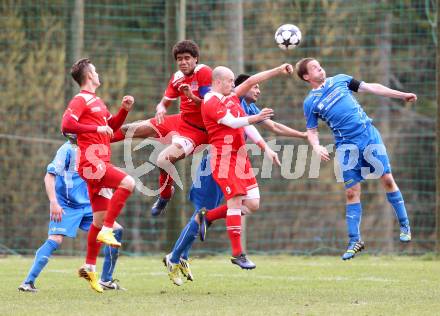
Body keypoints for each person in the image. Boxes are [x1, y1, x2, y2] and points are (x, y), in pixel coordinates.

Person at [163, 73, 307, 285]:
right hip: (215, 165)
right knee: (208, 211)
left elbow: (262, 127)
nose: (258, 90)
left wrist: (277, 144)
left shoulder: (244, 106)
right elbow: (232, 118)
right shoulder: (225, 100)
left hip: (235, 160)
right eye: (254, 87)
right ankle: (176, 257)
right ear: (237, 87)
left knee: (245, 205)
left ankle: (186, 249)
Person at [295, 58, 416, 260]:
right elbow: (311, 130)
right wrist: (316, 146)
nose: (320, 68)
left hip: (368, 136)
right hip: (346, 147)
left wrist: (401, 95)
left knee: (386, 179)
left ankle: (404, 225)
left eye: (320, 65)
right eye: (315, 68)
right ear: (307, 77)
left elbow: (372, 88)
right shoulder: (310, 102)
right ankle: (354, 241)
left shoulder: (340, 80)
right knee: (351, 192)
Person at [113, 40, 212, 216]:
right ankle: (91, 138)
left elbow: (210, 106)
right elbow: (165, 101)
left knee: (163, 160)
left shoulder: (204, 73)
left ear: (196, 59)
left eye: (187, 58)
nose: (183, 62)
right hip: (180, 121)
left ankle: (165, 195)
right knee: (131, 128)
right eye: (179, 59)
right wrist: (161, 108)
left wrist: (190, 95)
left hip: (198, 132)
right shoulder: (177, 77)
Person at [61, 58, 135, 292]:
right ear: (89, 76)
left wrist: (124, 110)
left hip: (99, 162)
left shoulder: (97, 102)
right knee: (128, 182)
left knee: (97, 220)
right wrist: (95, 129)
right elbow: (66, 126)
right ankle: (107, 231)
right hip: (92, 162)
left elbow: (110, 127)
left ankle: (90, 267)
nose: (98, 73)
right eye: (96, 71)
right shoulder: (80, 99)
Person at [18, 136, 124, 292]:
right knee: (55, 239)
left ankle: (106, 280)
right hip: (66, 205)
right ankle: (27, 283)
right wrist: (54, 202)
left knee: (115, 231)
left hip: (88, 205)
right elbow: (49, 176)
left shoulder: (92, 147)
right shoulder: (67, 149)